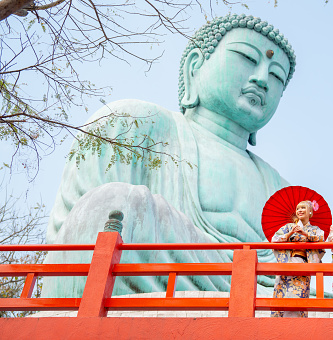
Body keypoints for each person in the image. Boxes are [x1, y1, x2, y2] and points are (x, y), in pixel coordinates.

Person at [42, 14, 297, 298]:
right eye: (247, 57)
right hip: (159, 280)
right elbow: (81, 228)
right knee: (111, 205)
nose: (262, 80)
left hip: (259, 293)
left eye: (276, 76)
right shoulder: (134, 122)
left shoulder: (286, 191)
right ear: (195, 66)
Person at [271, 201, 325, 318]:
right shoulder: (288, 227)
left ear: (310, 211)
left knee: (298, 295)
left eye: (303, 208)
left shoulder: (315, 229)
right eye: (298, 208)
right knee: (282, 295)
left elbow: (321, 239)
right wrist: (290, 233)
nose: (299, 210)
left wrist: (305, 234)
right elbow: (274, 239)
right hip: (287, 263)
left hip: (303, 265)